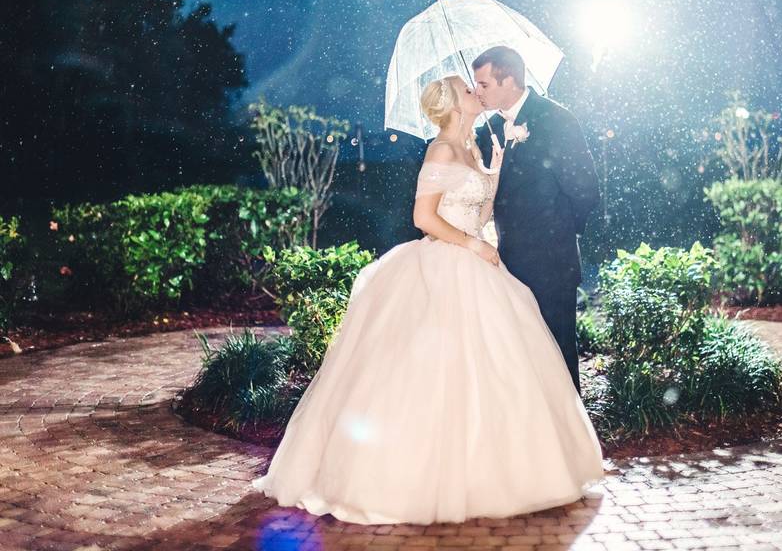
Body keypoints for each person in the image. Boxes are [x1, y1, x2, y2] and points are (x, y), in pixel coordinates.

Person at [250, 74, 604, 525]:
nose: (477, 91)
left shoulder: (474, 147)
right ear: (453, 103)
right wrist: (473, 246)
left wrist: (492, 171)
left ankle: (503, 470)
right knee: (433, 372)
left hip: (481, 266)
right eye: (467, 88)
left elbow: (480, 207)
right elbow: (423, 217)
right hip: (447, 263)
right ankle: (413, 478)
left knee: (499, 369)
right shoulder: (441, 149)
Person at [473, 46, 601, 395]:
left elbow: (584, 189)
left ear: (509, 79)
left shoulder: (556, 119)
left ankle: (571, 439)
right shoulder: (487, 132)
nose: (478, 91)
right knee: (519, 358)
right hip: (504, 265)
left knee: (557, 352)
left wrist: (556, 234)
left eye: (484, 84)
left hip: (551, 262)